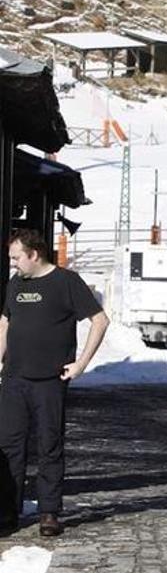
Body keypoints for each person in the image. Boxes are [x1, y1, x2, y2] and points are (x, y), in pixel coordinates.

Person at [0, 229, 109, 537]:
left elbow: (100, 320)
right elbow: (6, 321)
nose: (13, 264)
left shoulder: (66, 282)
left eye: (16, 258)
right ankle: (7, 512)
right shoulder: (16, 283)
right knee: (8, 447)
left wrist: (82, 363)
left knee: (49, 444)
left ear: (34, 254)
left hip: (49, 379)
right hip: (14, 378)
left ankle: (49, 512)